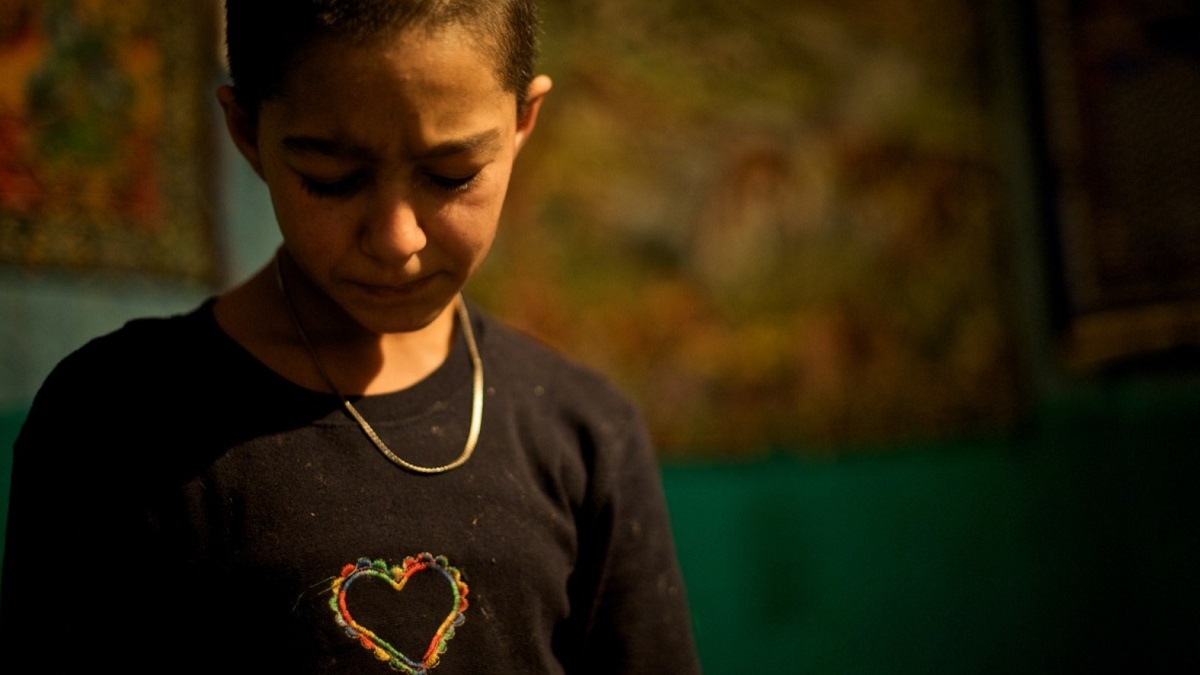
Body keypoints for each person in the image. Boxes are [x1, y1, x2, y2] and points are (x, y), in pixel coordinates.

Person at [0, 1, 701, 672]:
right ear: (248, 133)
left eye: (451, 175)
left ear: (523, 122)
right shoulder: (116, 423)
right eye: (331, 180)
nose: (397, 240)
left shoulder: (584, 435)